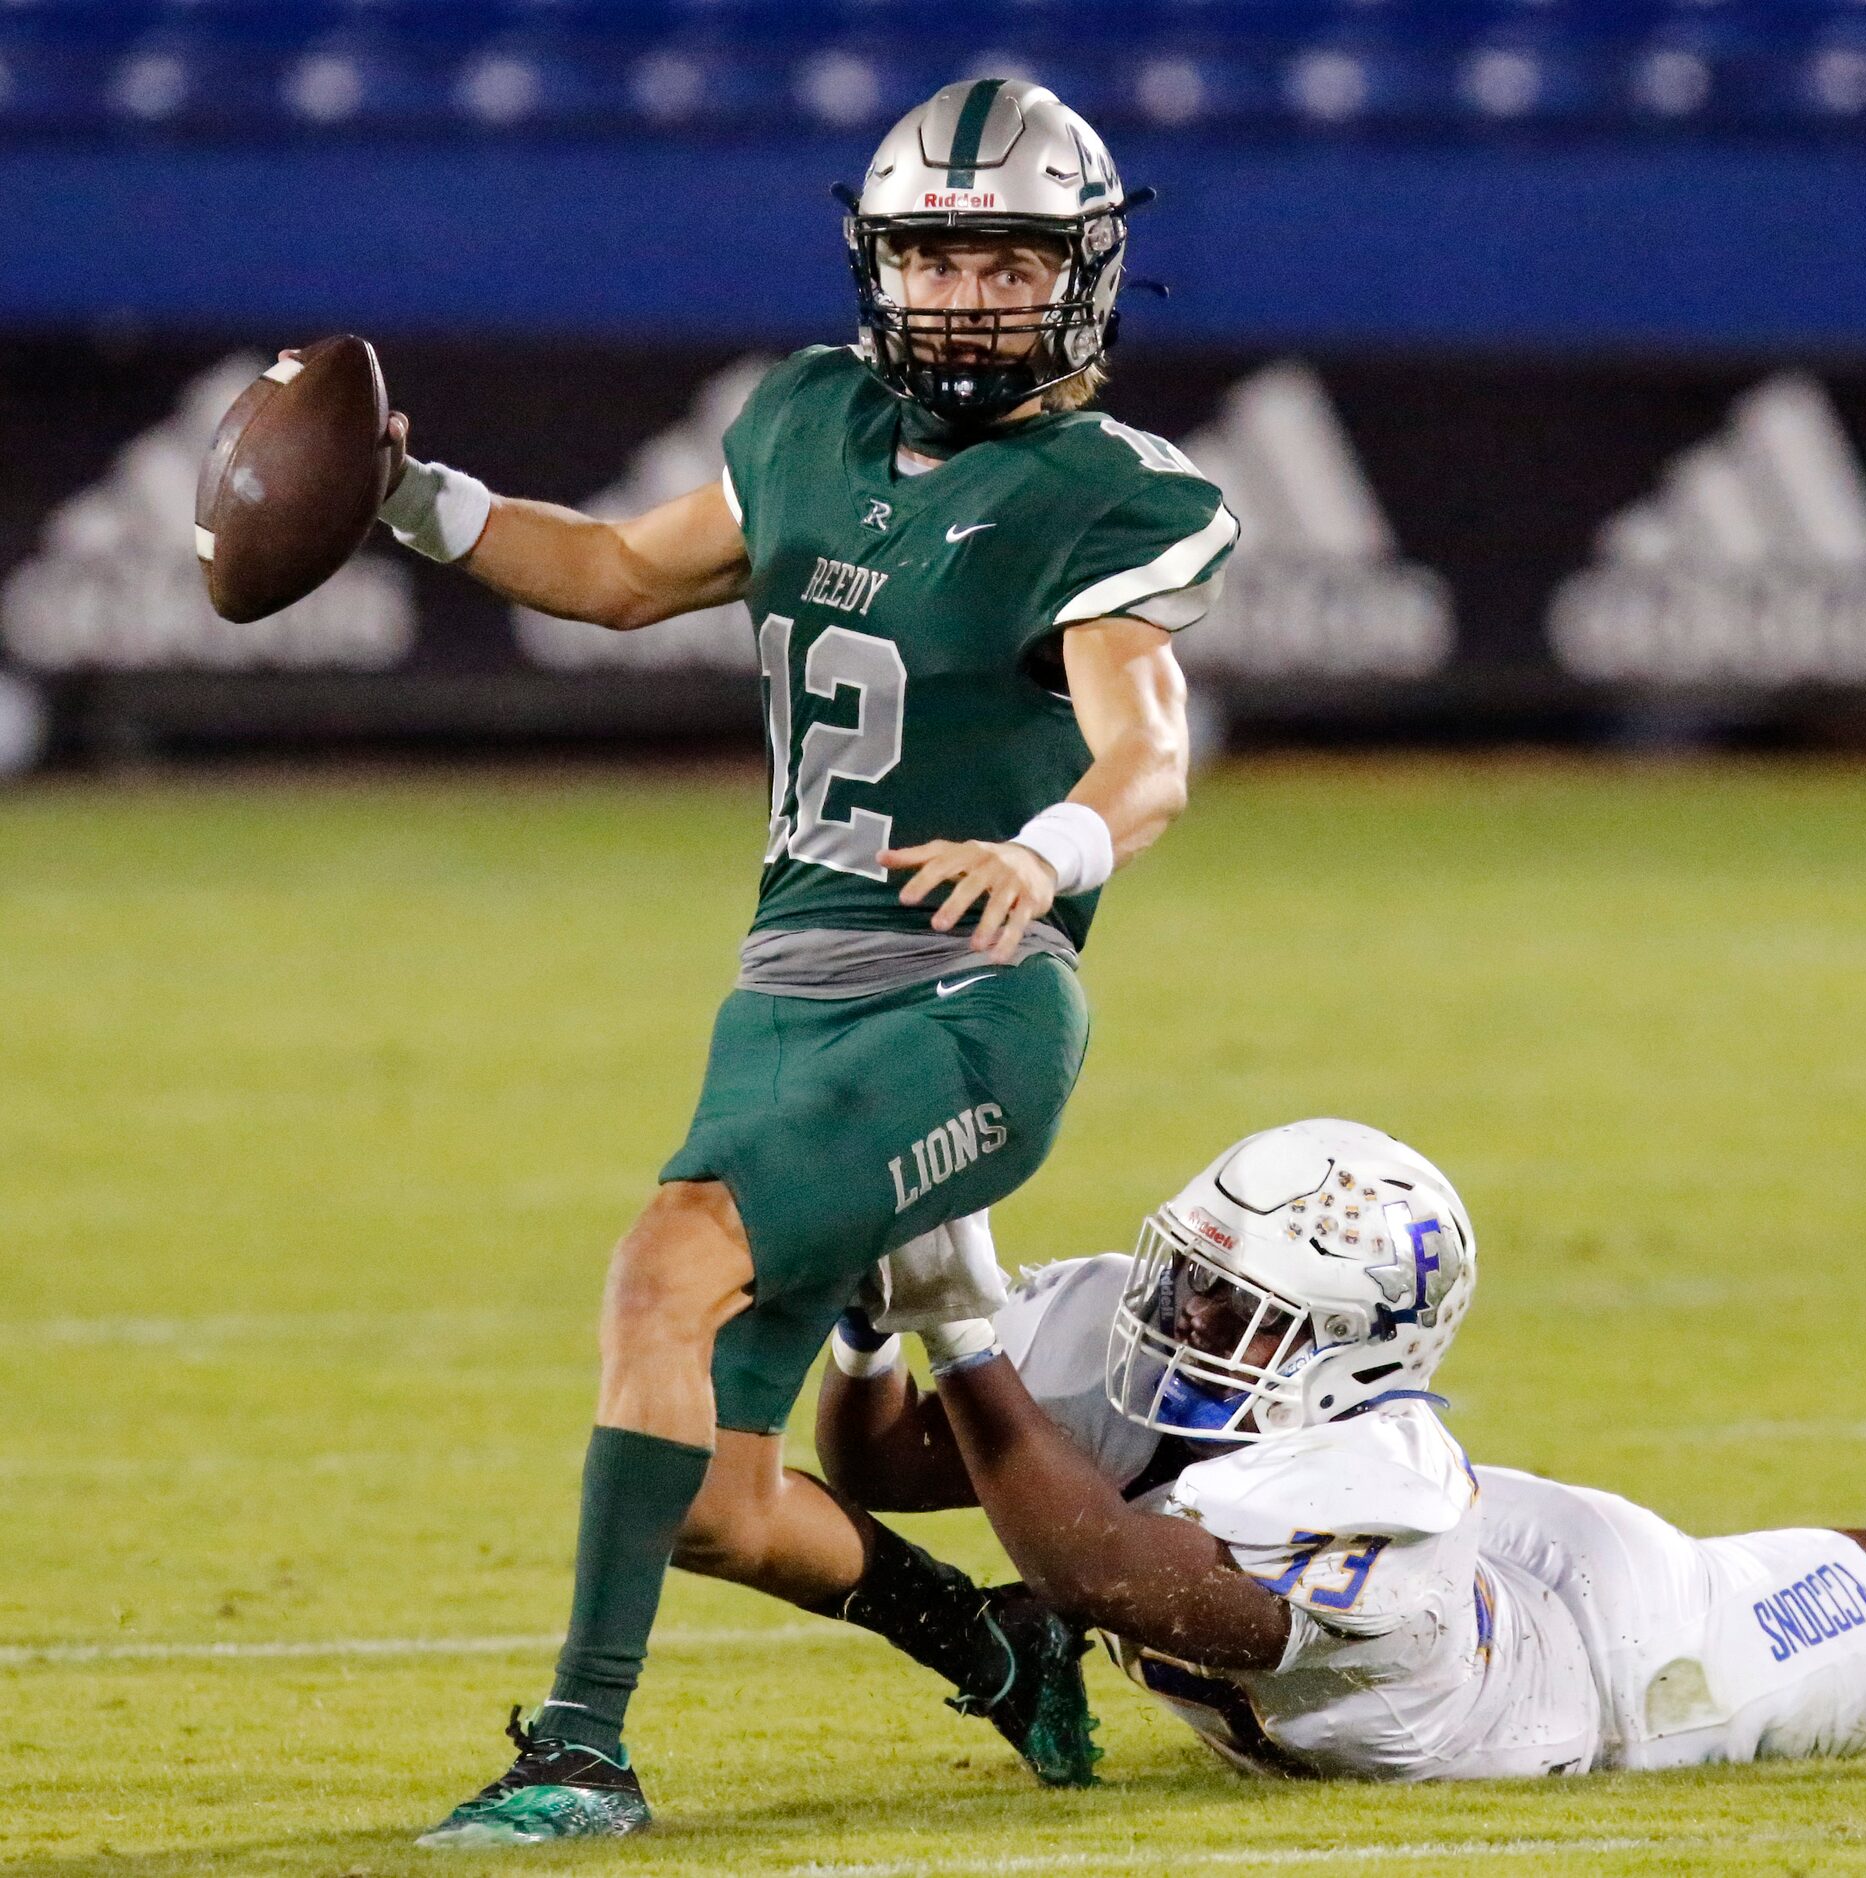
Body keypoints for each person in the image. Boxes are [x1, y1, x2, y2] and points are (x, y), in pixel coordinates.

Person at [396, 79, 1238, 1845]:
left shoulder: (1103, 494)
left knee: (660, 1270)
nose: (964, 294)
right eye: (933, 254)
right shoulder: (803, 419)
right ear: (877, 263)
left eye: (1007, 258)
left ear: (1084, 277)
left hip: (968, 1000)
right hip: (778, 997)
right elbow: (623, 570)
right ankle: (990, 1635)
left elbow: (1144, 746)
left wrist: (1045, 847)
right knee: (710, 1498)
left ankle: (580, 1750)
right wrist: (413, 498)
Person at [819, 1120, 1866, 1781]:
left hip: (1614, 1664)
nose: (1177, 1322)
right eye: (1187, 1275)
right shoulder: (1203, 1355)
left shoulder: (1359, 1490)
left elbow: (1110, 1568)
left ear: (1358, 1350)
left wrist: (966, 1335)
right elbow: (901, 1461)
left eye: (1232, 1309)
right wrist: (876, 1322)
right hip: (1483, 1578)